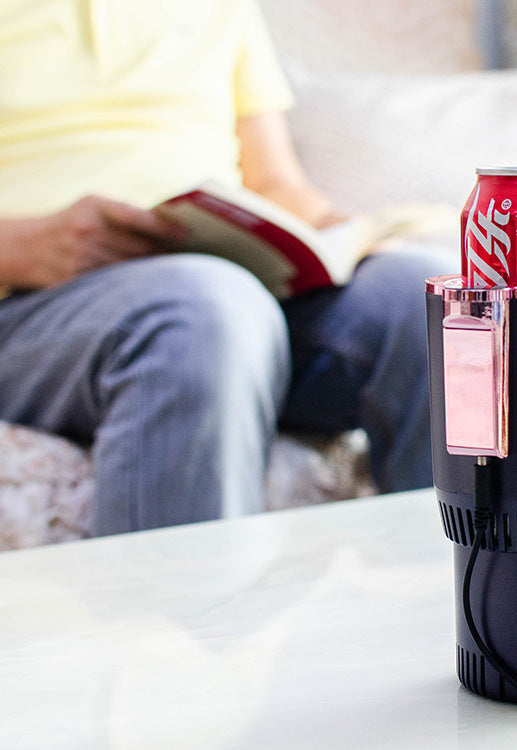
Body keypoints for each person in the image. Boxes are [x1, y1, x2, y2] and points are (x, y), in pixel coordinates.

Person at [0, 0, 452, 535]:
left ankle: (463, 613)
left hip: (221, 284)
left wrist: (344, 236)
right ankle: (177, 618)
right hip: (35, 305)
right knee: (205, 310)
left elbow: (275, 183)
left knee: (426, 300)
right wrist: (23, 246)